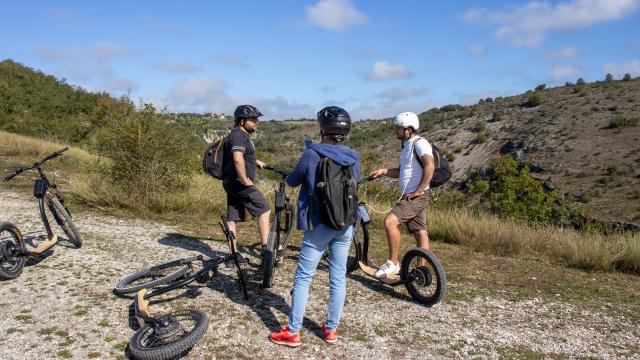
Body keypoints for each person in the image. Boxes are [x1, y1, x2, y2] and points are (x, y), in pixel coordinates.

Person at [268, 106, 360, 348]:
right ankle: (330, 330)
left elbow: (293, 179)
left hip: (319, 223)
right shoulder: (354, 157)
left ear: (322, 130)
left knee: (303, 277)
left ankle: (293, 332)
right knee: (338, 276)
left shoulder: (311, 154)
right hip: (345, 224)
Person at [369, 111, 435, 279]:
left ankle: (393, 263)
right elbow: (402, 171)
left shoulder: (420, 143)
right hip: (411, 195)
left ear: (408, 130)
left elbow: (430, 166)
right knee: (420, 232)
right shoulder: (407, 146)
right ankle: (422, 271)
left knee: (390, 221)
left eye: (398, 128)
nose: (395, 131)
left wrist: (419, 190)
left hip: (416, 196)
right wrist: (384, 171)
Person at [222, 105, 271, 263]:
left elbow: (241, 155)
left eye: (257, 119)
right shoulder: (238, 135)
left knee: (233, 218)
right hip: (240, 184)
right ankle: (266, 252)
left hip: (230, 182)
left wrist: (255, 161)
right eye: (253, 120)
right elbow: (237, 158)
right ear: (242, 121)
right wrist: (244, 179)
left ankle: (233, 256)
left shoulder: (237, 135)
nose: (257, 122)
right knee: (264, 209)